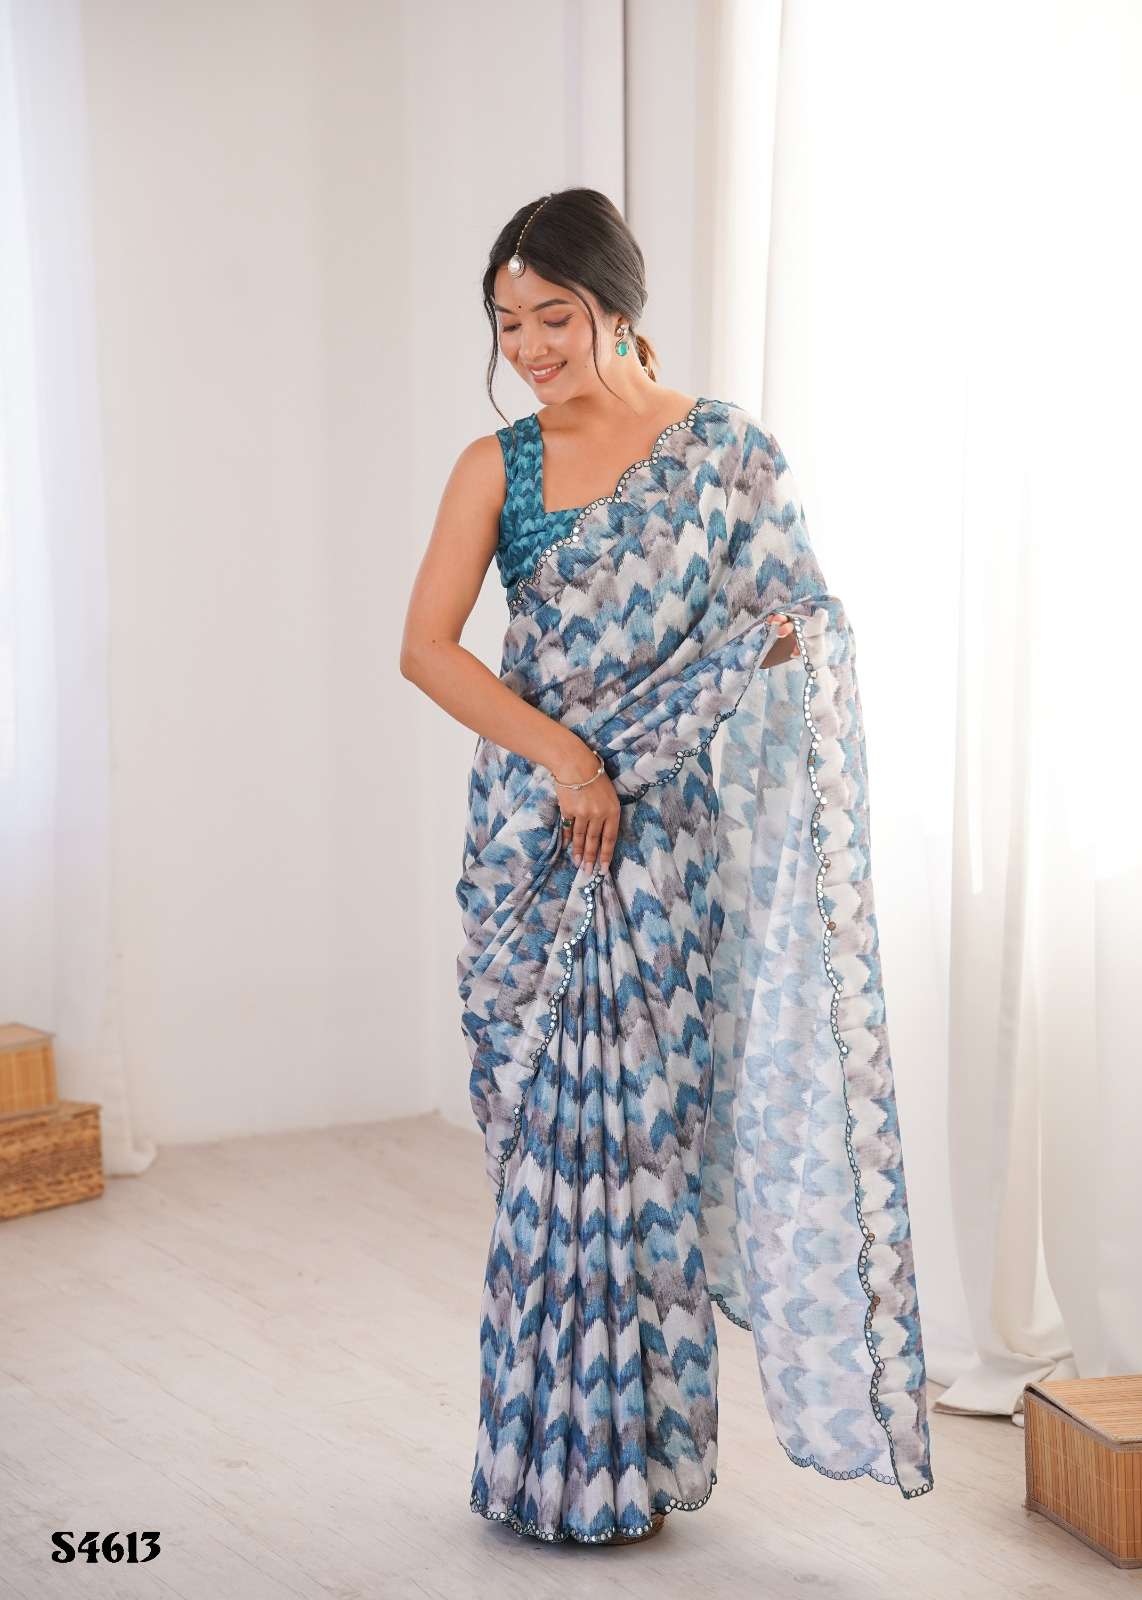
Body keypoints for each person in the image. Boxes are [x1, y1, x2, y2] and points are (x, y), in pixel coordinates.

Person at [399, 187, 935, 1547]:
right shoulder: (497, 468)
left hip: (666, 847)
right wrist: (573, 760)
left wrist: (679, 709)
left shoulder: (727, 455)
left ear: (617, 308)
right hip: (540, 838)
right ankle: (543, 1462)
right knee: (546, 1154)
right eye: (508, 323)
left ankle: (629, 1463)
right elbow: (427, 650)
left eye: (554, 317)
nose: (529, 346)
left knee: (644, 1147)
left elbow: (795, 626)